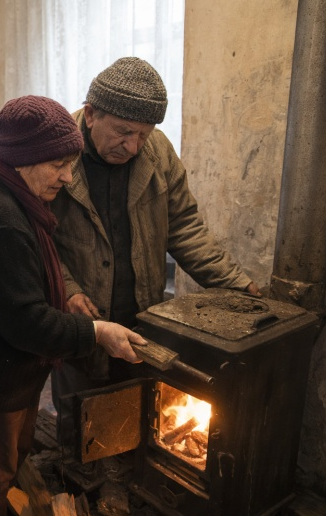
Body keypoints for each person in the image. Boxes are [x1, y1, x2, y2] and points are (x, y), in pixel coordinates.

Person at [0, 95, 147, 515]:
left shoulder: (3, 185)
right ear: (23, 159)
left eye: (71, 163)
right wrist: (98, 332)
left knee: (8, 462)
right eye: (58, 165)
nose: (68, 177)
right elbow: (27, 324)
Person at [50, 57, 260, 447]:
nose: (133, 147)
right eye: (124, 132)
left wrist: (238, 284)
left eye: (143, 135)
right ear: (91, 114)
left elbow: (185, 228)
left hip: (141, 316)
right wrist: (67, 288)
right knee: (81, 426)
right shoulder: (57, 151)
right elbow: (36, 235)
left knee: (137, 418)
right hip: (82, 323)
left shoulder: (157, 153)